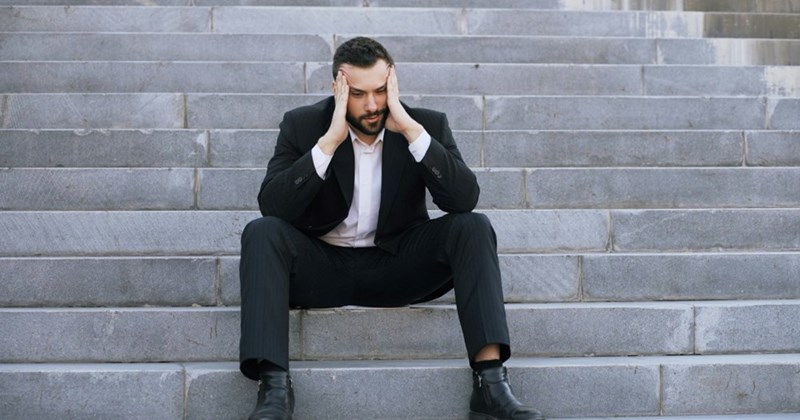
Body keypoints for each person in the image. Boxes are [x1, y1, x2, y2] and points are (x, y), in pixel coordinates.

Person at [239, 36, 545, 420]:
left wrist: (413, 133)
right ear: (338, 88)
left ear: (394, 82)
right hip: (321, 268)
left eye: (382, 91)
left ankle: (490, 385)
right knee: (261, 232)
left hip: (397, 266)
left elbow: (463, 199)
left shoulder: (425, 125)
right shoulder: (303, 126)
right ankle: (275, 393)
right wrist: (330, 141)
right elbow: (273, 206)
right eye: (359, 94)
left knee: (473, 227)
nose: (372, 105)